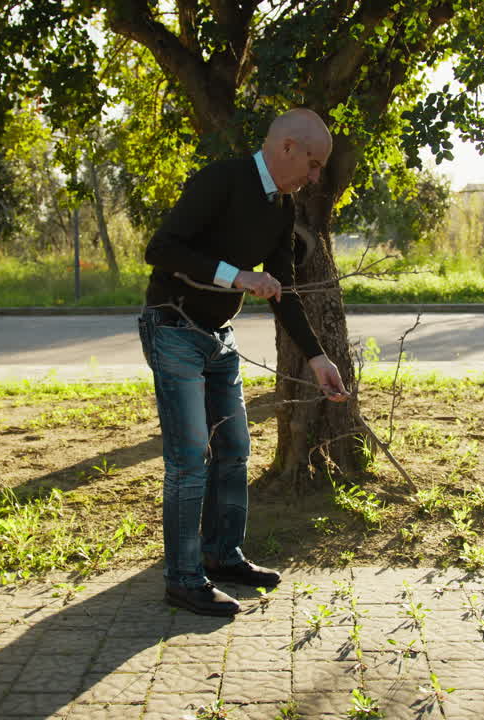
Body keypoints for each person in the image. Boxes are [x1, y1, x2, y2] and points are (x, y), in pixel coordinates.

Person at [138, 108, 350, 617]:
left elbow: (284, 292)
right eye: (315, 164)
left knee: (233, 448)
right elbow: (160, 249)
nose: (317, 176)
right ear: (287, 150)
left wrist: (318, 356)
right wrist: (237, 276)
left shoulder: (281, 209)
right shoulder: (220, 181)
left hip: (217, 337)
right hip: (173, 327)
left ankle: (222, 555)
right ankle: (184, 579)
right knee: (191, 457)